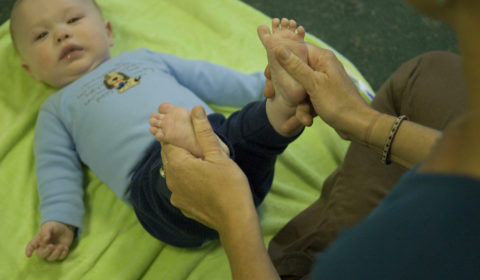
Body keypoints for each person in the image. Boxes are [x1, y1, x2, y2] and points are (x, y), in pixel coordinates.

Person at [159, 0, 480, 278]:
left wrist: (233, 218)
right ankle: (278, 114)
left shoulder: (379, 262)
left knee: (168, 193)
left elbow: (216, 81)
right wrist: (362, 121)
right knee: (428, 76)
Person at [9, 0, 309, 261]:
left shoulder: (142, 58)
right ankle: (183, 148)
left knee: (248, 129)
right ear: (29, 70)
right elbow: (55, 167)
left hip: (221, 144)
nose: (62, 34)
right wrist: (60, 218)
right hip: (153, 183)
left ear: (108, 31)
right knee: (168, 182)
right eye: (41, 35)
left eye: (73, 20)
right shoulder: (56, 108)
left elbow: (208, 78)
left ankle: (282, 103)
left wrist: (261, 85)